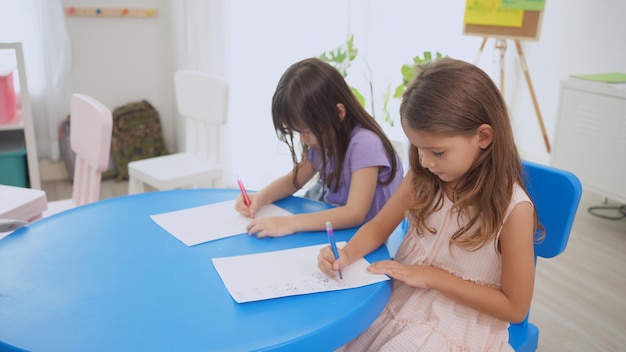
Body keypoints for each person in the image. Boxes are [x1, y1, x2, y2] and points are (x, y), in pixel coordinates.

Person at [318, 57, 540, 351]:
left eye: (437, 151)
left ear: (483, 137)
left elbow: (514, 308)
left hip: (459, 325)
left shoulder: (514, 211)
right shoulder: (423, 177)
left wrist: (434, 277)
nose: (424, 161)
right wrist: (345, 254)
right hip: (397, 301)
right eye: (418, 148)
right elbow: (379, 227)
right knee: (334, 335)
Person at [235, 57, 404, 238]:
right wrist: (260, 198)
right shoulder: (325, 138)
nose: (303, 138)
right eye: (297, 132)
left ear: (338, 113)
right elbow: (294, 180)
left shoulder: (365, 144)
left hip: (370, 237)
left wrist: (289, 223)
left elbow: (355, 213)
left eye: (307, 131)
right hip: (340, 224)